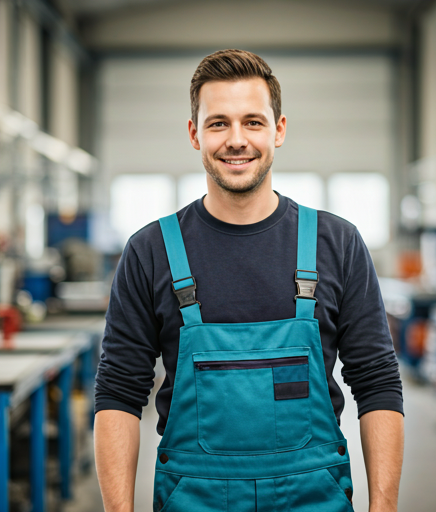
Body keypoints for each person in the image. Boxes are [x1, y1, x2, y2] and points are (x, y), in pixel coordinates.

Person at [94, 49, 404, 512]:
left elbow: (377, 381)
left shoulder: (337, 243)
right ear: (194, 133)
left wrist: (384, 507)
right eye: (218, 123)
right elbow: (119, 392)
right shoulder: (150, 251)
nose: (236, 140)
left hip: (313, 499)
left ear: (278, 130)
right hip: (193, 500)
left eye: (253, 122)